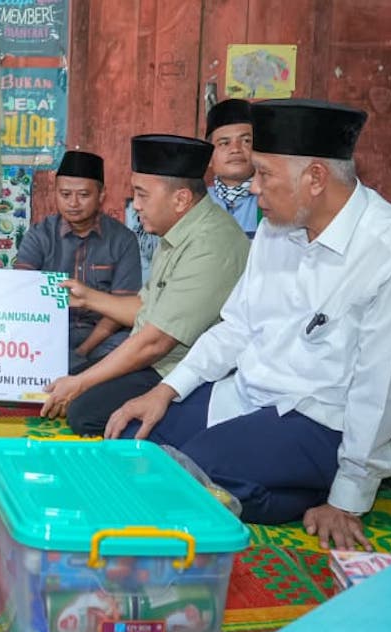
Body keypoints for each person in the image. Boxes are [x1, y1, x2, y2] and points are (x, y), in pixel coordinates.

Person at [105, 100, 391, 551]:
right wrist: (164, 391)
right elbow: (236, 328)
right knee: (134, 445)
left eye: (264, 174)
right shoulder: (276, 228)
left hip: (328, 418)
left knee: (187, 476)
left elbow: (383, 392)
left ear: (315, 178)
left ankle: (318, 490)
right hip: (250, 394)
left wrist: (348, 499)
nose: (252, 188)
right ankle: (276, 479)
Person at [40, 135, 249, 435]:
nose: (135, 205)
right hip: (156, 357)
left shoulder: (212, 243)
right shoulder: (179, 228)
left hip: (180, 371)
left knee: (83, 410)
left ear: (180, 199)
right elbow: (146, 308)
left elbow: (156, 341)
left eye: (142, 194)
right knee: (69, 380)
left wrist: (81, 384)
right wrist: (87, 298)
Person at [15, 151, 141, 374]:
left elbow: (122, 307)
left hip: (101, 338)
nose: (73, 203)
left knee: (131, 345)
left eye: (83, 195)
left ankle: (74, 372)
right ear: (55, 193)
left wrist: (82, 351)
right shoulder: (39, 235)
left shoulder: (123, 240)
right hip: (48, 334)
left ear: (101, 195)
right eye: (65, 194)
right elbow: (21, 294)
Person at [205, 98, 261, 236]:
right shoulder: (198, 202)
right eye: (224, 143)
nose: (235, 149)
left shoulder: (270, 202)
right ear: (209, 157)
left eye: (246, 141)